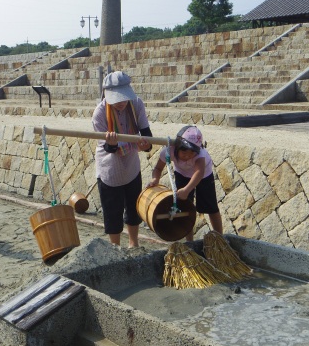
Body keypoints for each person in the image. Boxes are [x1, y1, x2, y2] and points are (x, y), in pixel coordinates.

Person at [92, 71, 152, 248]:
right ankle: (115, 248)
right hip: (109, 167)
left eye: (123, 97)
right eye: (116, 99)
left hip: (131, 166)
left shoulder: (136, 104)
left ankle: (134, 243)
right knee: (113, 211)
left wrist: (145, 145)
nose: (121, 103)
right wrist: (112, 144)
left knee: (134, 208)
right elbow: (109, 148)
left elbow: (147, 136)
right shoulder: (100, 113)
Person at [148, 125, 223, 241]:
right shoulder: (169, 151)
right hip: (182, 174)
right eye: (184, 151)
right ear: (177, 147)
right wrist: (155, 179)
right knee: (185, 207)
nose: (187, 155)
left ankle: (220, 238)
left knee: (211, 207)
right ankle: (189, 241)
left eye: (192, 152)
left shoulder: (200, 154)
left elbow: (199, 172)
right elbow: (158, 169)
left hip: (204, 176)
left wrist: (187, 190)